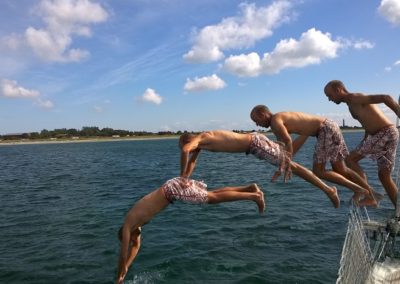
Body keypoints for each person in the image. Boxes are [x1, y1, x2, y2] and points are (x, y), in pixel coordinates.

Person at [116, 177, 265, 284]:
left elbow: (123, 255)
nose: (134, 241)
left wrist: (120, 275)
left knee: (211, 198)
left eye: (130, 241)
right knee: (213, 193)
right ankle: (249, 188)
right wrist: (126, 269)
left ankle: (254, 196)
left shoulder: (129, 225)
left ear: (126, 236)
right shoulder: (136, 226)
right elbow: (136, 248)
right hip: (171, 186)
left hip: (172, 191)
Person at [250, 105, 378, 207]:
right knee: (341, 169)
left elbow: (288, 142)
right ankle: (370, 194)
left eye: (256, 121)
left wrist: (285, 163)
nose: (257, 125)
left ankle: (360, 190)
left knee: (319, 171)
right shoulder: (280, 118)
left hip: (325, 129)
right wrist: (284, 165)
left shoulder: (275, 122)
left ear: (263, 114)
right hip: (329, 125)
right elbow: (287, 149)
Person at [179, 130, 339, 208]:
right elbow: (192, 162)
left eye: (186, 145)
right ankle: (306, 133)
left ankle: (328, 190)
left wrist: (182, 177)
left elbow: (186, 150)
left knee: (293, 166)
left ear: (188, 140)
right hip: (255, 142)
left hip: (255, 144)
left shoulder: (200, 139)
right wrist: (185, 177)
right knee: (288, 160)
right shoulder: (201, 143)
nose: (189, 150)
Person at [324, 80, 400, 209]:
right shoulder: (350, 104)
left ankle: (369, 195)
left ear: (338, 90)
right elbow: (367, 123)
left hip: (385, 133)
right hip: (385, 134)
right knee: (384, 176)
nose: (329, 99)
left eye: (329, 95)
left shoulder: (355, 98)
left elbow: (385, 97)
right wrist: (364, 140)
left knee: (350, 160)